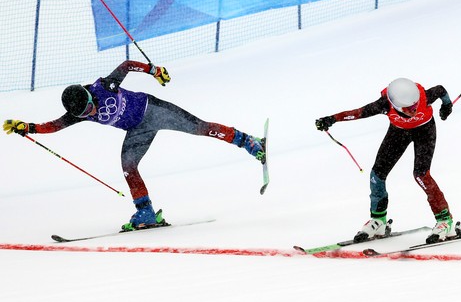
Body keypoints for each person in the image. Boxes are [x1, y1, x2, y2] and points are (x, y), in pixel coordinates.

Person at [3, 60, 265, 231]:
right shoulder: (76, 113)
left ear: (88, 94)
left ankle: (250, 143)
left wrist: (155, 71)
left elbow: (127, 65)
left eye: (90, 105)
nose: (91, 110)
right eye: (86, 112)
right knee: (129, 166)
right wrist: (28, 128)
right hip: (137, 131)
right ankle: (146, 213)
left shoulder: (103, 86)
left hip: (154, 110)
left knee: (200, 127)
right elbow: (55, 126)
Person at [315, 77, 458, 244]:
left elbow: (441, 90)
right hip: (398, 132)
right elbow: (358, 113)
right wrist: (331, 119)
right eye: (409, 108)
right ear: (396, 106)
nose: (414, 109)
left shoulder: (424, 96)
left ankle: (445, 221)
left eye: (415, 105)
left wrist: (447, 105)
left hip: (424, 131)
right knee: (377, 175)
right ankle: (378, 220)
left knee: (421, 175)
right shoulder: (384, 104)